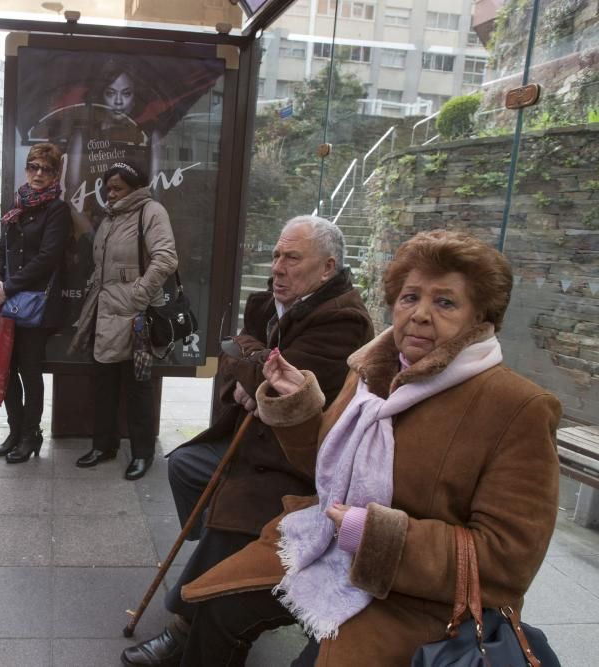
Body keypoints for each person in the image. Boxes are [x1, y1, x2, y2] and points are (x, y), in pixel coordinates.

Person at [178, 230, 562, 666]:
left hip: (417, 601)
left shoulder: (518, 407)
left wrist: (375, 536)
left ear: (481, 319)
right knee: (213, 609)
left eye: (445, 302)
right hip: (325, 549)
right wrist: (299, 408)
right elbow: (325, 473)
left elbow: (507, 562)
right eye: (410, 297)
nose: (418, 314)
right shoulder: (370, 373)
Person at [121, 215, 373, 666]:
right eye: (276, 255)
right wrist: (250, 365)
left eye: (292, 258)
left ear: (327, 267)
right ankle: (222, 563)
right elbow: (236, 359)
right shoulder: (267, 304)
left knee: (233, 510)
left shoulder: (343, 321)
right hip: (255, 437)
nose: (277, 267)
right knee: (185, 466)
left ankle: (185, 626)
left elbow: (271, 382)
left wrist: (249, 362)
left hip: (301, 458)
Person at [70, 160, 177, 481]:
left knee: (138, 387)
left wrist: (138, 295)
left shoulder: (151, 212)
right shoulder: (111, 218)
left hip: (136, 319)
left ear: (135, 187)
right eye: (107, 189)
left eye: (117, 188)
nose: (110, 194)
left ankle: (143, 454)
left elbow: (167, 257)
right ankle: (104, 445)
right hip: (104, 315)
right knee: (103, 385)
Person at [0, 142, 72, 463]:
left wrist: (7, 286)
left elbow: (48, 259)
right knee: (6, 371)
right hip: (9, 302)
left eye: (46, 169)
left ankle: (30, 434)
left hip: (37, 306)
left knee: (30, 372)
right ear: (26, 169)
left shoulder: (57, 210)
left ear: (55, 175)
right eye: (33, 167)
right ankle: (14, 430)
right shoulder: (17, 204)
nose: (38, 174)